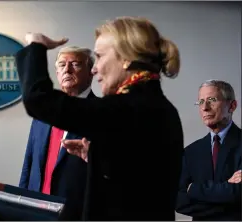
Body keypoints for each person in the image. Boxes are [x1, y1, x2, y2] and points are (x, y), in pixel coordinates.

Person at [16, 16, 184, 220]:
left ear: (126, 59)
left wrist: (36, 45)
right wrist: (95, 156)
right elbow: (135, 178)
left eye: (100, 56)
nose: (95, 69)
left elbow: (38, 100)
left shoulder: (129, 107)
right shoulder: (158, 107)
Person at [18, 46, 96, 220]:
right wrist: (20, 200)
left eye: (75, 64)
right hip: (35, 209)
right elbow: (28, 163)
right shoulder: (42, 114)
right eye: (61, 65)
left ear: (91, 71)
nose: (67, 70)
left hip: (77, 212)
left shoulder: (101, 112)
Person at [176, 80, 241, 221]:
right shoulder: (190, 152)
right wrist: (229, 201)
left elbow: (239, 192)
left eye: (212, 100)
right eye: (200, 102)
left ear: (232, 106)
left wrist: (193, 189)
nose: (205, 107)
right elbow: (179, 200)